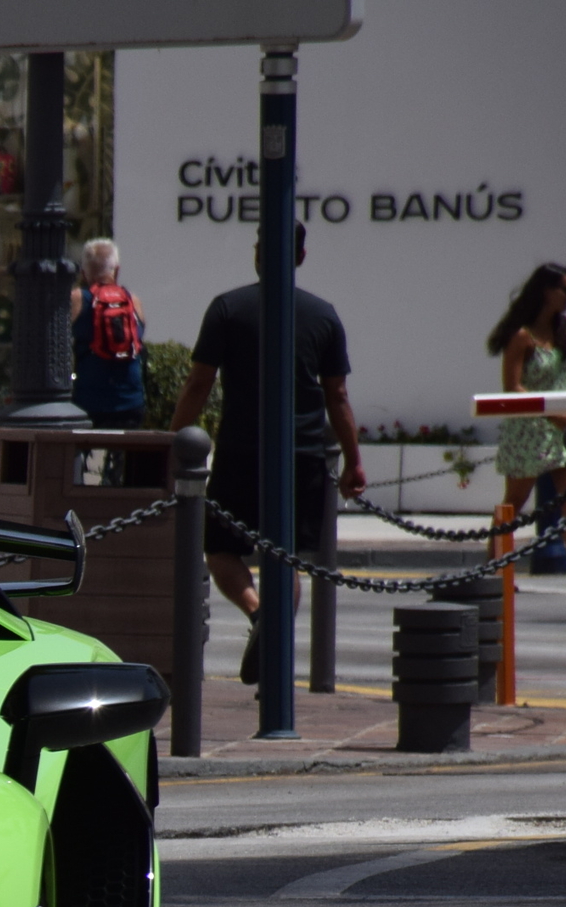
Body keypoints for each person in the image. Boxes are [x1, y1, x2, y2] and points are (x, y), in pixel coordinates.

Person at [168, 224, 368, 682]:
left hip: (241, 449)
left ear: (261, 254)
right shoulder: (323, 315)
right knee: (287, 557)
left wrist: (175, 440)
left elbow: (199, 383)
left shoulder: (228, 308)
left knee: (218, 548)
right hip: (304, 453)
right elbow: (337, 397)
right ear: (300, 256)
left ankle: (259, 615)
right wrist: (354, 460)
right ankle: (274, 637)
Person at [484, 263, 566, 589]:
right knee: (514, 501)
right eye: (565, 289)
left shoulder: (564, 329)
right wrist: (548, 412)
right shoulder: (522, 336)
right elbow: (512, 386)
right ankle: (498, 568)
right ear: (547, 292)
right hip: (531, 427)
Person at [71, 238, 147, 429]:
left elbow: (56, 343)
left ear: (83, 273)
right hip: (131, 402)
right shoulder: (133, 301)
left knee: (76, 453)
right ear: (117, 270)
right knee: (128, 455)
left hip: (88, 403)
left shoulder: (77, 299)